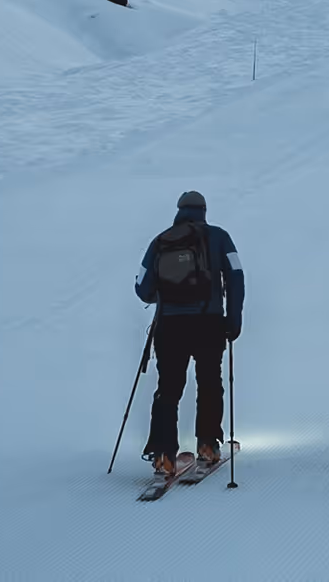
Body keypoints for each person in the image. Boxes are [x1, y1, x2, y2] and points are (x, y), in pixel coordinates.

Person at [136, 191, 245, 476]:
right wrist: (234, 319)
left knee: (168, 388)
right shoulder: (220, 237)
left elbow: (142, 288)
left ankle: (163, 454)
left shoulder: (161, 241)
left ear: (179, 211)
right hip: (208, 322)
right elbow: (235, 275)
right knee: (209, 382)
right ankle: (207, 445)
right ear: (204, 211)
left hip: (169, 326)